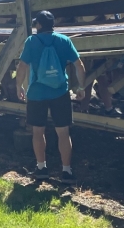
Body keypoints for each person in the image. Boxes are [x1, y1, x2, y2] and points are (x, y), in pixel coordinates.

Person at [16, 10, 86, 183]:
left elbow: (22, 67)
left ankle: (41, 168)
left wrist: (18, 86)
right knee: (63, 132)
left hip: (37, 93)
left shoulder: (31, 41)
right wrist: (81, 87)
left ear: (39, 25)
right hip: (60, 92)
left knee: (38, 131)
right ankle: (67, 171)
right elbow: (79, 65)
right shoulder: (64, 40)